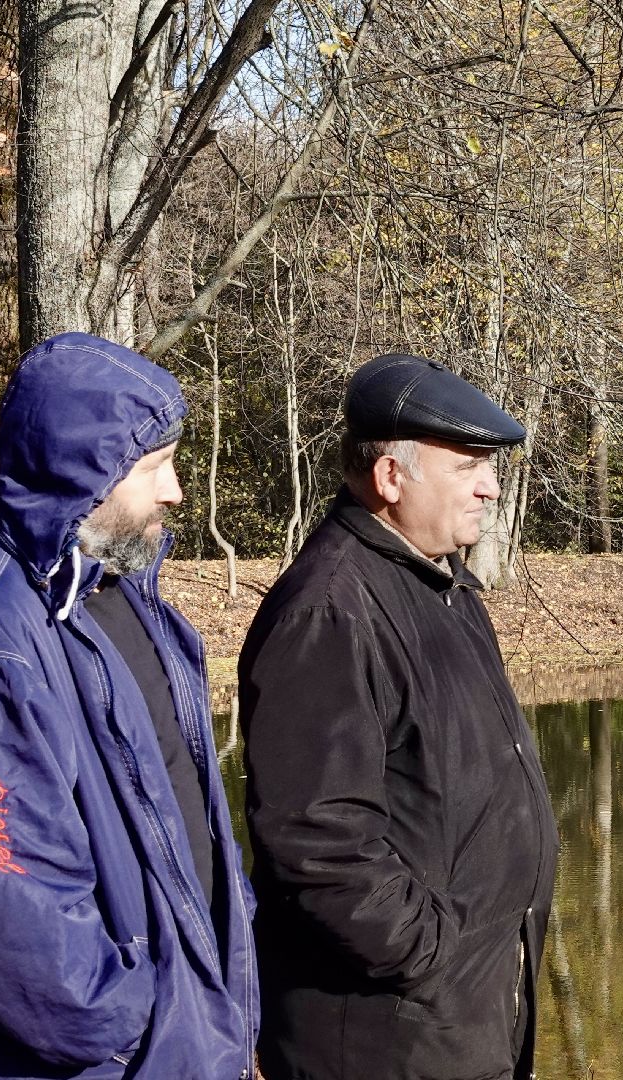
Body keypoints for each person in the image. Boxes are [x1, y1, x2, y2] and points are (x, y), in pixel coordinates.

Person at [0, 333, 257, 1079]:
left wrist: (221, 995)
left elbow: (186, 817)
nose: (174, 490)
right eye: (154, 466)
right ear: (83, 469)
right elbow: (1, 909)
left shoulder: (116, 593)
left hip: (180, 1037)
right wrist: (132, 1030)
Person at [240, 353, 557, 1080]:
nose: (491, 486)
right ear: (390, 477)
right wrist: (434, 956)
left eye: (489, 466)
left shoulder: (442, 588)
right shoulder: (331, 612)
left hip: (461, 1018)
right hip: (384, 1039)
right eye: (468, 465)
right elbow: (317, 842)